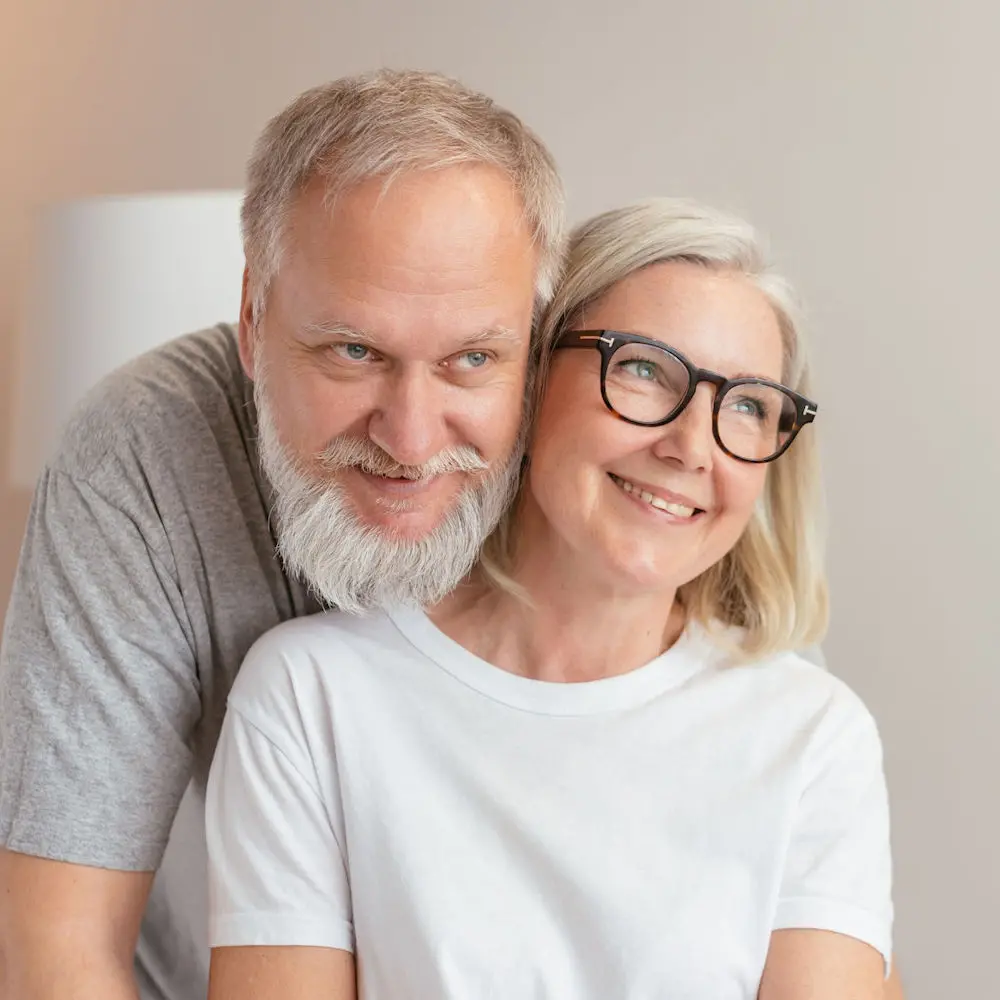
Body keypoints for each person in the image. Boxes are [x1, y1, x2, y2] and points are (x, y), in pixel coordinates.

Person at [205, 198, 894, 1000]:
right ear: (527, 381)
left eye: (746, 404)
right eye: (642, 368)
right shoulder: (312, 695)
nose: (690, 448)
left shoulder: (813, 737)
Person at [0, 69, 564, 1000]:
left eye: (473, 358)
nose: (412, 441)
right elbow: (59, 953)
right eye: (355, 352)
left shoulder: (613, 455)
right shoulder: (142, 453)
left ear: (533, 340)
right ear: (254, 322)